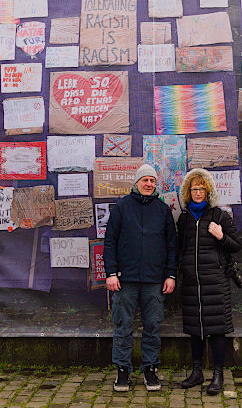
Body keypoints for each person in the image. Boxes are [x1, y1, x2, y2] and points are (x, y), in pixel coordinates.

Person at [104, 164, 177, 392]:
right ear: (136, 182)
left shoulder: (163, 210)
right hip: (125, 280)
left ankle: (150, 369)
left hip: (155, 280)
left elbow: (172, 247)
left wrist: (171, 275)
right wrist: (111, 273)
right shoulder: (122, 208)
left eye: (152, 181)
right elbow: (109, 242)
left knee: (152, 326)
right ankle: (123, 371)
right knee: (123, 325)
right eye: (145, 180)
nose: (148, 184)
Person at [176, 168, 242, 396]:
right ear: (188, 191)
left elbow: (237, 245)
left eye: (202, 188)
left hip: (215, 281)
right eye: (194, 188)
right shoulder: (184, 219)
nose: (198, 192)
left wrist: (221, 235)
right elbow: (180, 248)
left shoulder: (219, 216)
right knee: (195, 329)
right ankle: (196, 373)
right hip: (192, 282)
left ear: (208, 190)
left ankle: (218, 374)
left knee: (217, 330)